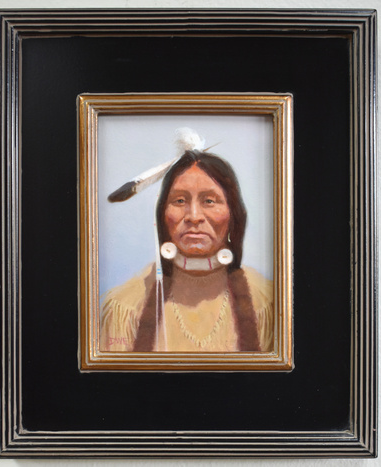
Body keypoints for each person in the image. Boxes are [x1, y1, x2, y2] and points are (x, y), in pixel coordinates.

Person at [100, 133, 274, 353]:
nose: (194, 216)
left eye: (209, 201)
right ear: (163, 214)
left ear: (234, 215)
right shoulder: (124, 306)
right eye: (180, 200)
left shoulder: (267, 303)